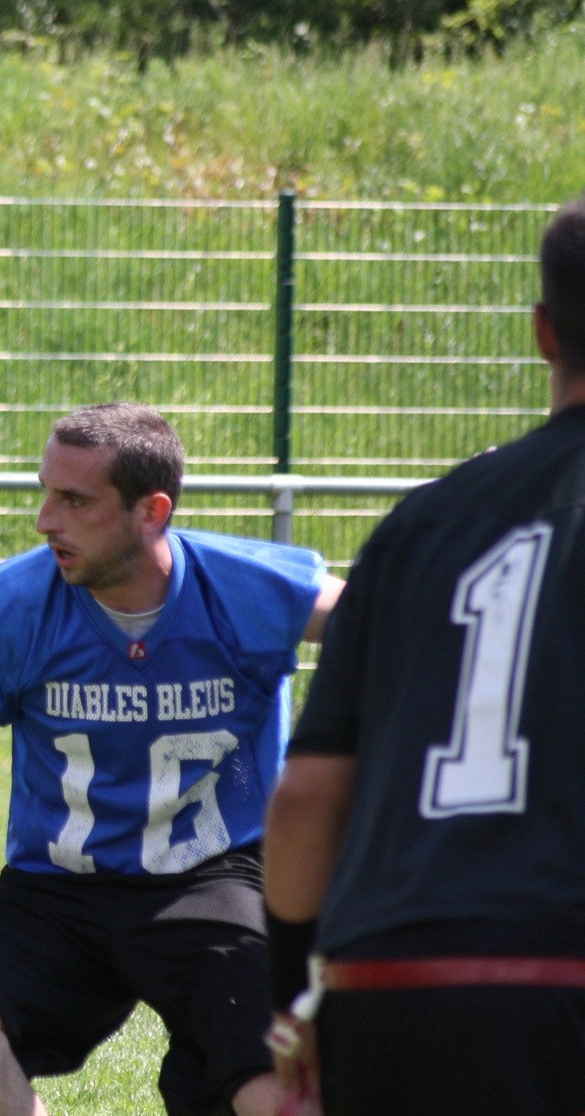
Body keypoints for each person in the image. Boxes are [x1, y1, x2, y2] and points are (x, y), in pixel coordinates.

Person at [0, 402, 344, 1116]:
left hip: (214, 878)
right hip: (59, 886)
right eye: (45, 492)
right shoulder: (8, 608)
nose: (45, 520)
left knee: (280, 1093)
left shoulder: (246, 590)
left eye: (75, 500)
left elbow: (384, 617)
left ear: (152, 511)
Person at [262, 195, 585, 1116]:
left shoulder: (421, 525)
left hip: (388, 987)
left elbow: (305, 802)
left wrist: (298, 998)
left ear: (542, 332)